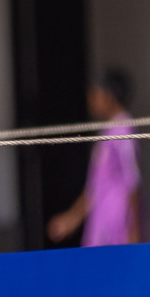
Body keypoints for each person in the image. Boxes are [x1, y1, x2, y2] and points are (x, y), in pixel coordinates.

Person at [48, 68, 143, 247]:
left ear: (109, 96)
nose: (90, 100)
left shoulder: (124, 130)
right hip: (103, 221)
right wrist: (72, 218)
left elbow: (133, 181)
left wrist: (134, 231)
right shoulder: (108, 131)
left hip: (119, 224)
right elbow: (96, 185)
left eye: (94, 94)